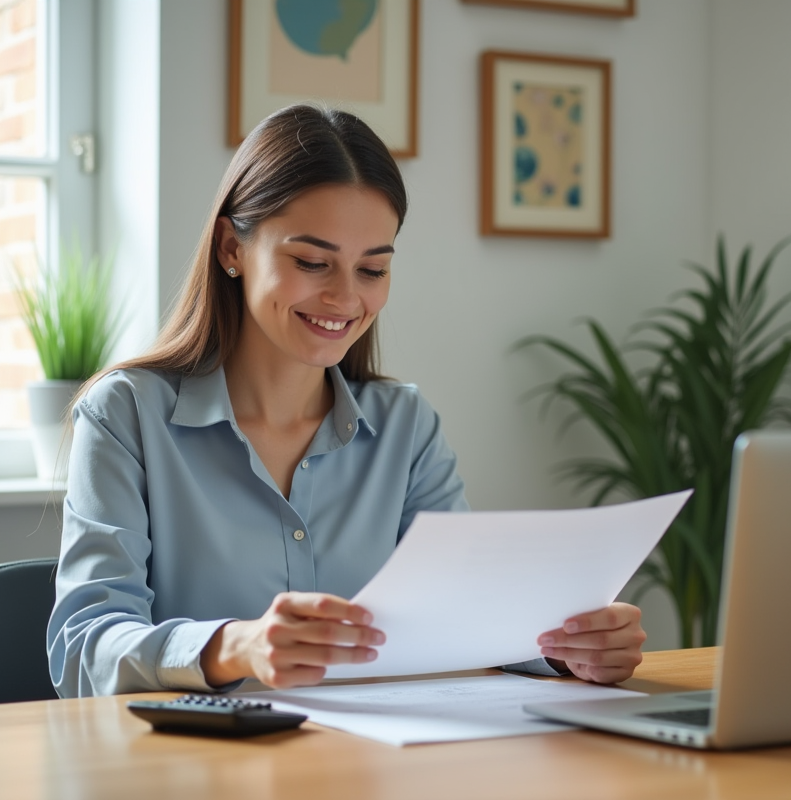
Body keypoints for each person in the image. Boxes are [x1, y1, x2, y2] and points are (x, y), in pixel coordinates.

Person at [47, 105, 646, 698]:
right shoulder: (125, 415)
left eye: (373, 270)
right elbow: (84, 647)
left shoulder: (405, 427)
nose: (344, 298)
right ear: (232, 248)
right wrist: (237, 646)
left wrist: (568, 650)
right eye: (312, 262)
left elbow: (462, 622)